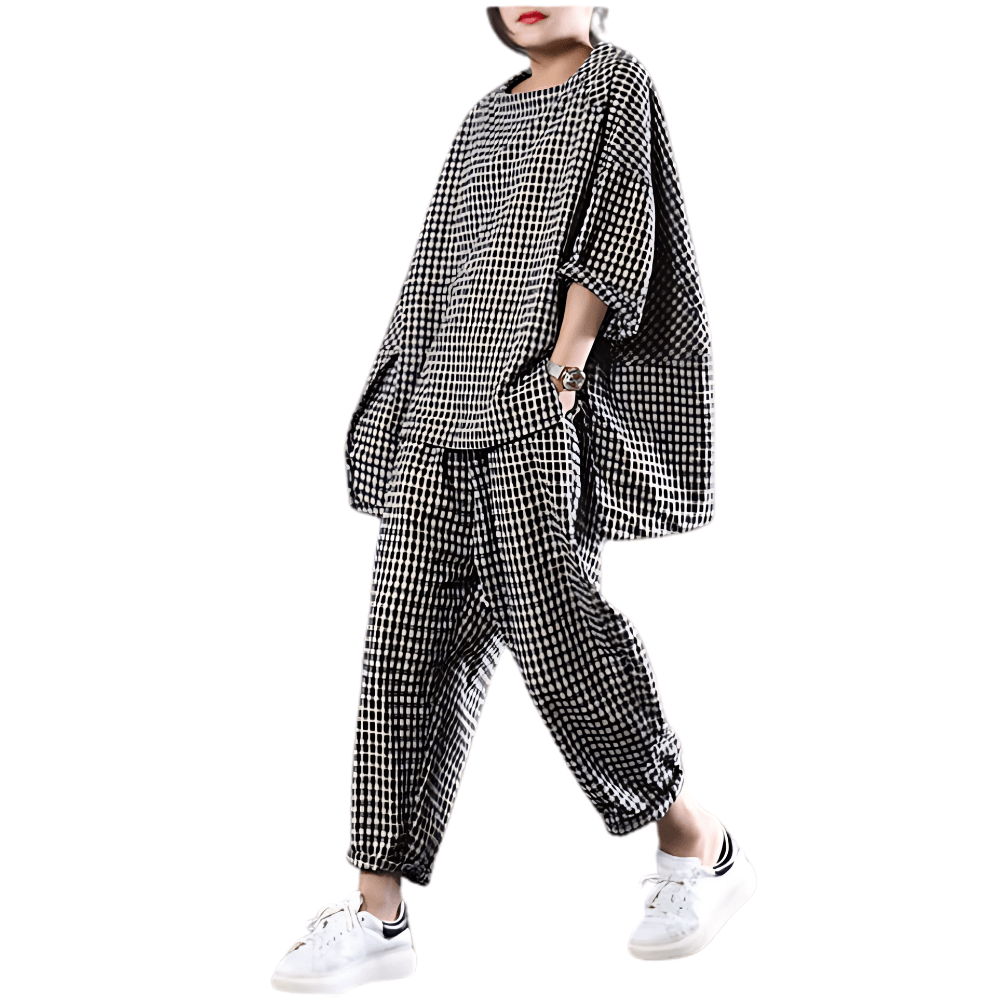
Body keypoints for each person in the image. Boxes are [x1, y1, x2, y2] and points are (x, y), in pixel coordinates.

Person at [271, 7, 755, 994]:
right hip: (434, 412)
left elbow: (620, 230)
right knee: (400, 651)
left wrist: (564, 371)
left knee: (556, 629)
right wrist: (395, 398)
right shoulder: (481, 117)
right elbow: (434, 269)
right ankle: (377, 910)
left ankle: (693, 838)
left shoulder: (616, 83)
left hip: (534, 405)